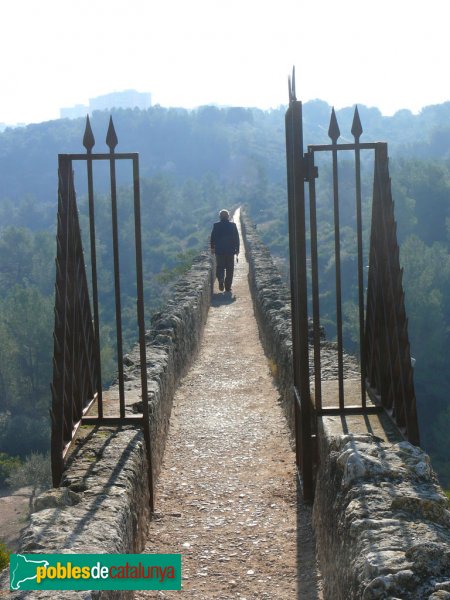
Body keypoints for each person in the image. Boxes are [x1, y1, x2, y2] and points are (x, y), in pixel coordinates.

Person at [210, 209, 240, 292]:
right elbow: (236, 238)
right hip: (230, 251)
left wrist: (212, 248)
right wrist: (237, 249)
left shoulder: (216, 225)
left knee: (220, 267)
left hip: (219, 251)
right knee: (230, 269)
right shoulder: (233, 225)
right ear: (228, 216)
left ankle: (220, 279)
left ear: (220, 217)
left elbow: (212, 237)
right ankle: (227, 287)